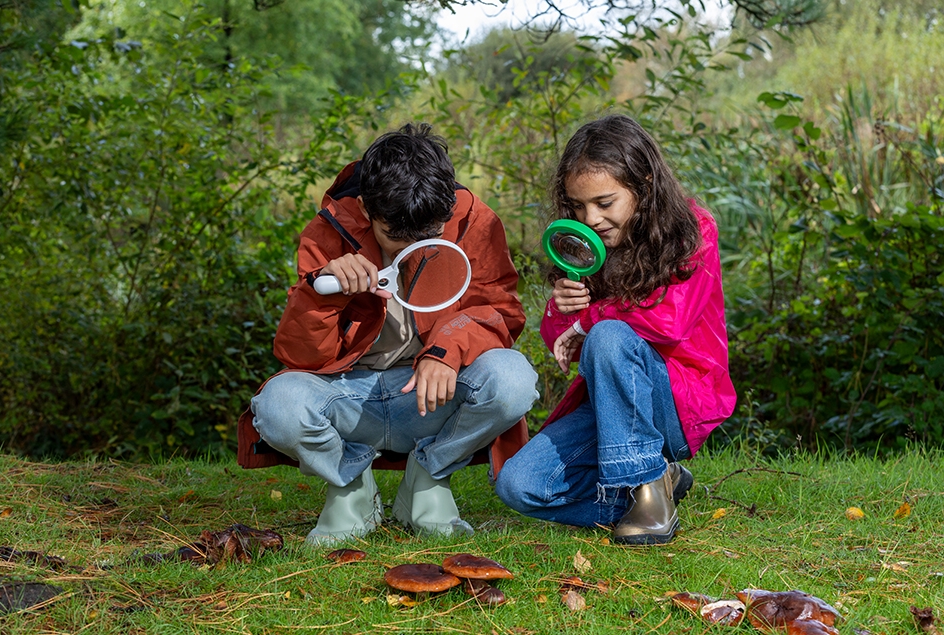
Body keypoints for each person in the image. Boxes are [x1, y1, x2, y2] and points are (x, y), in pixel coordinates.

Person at [239, 123, 537, 546]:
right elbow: (298, 356)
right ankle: (351, 487)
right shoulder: (329, 230)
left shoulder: (474, 221)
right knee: (277, 405)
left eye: (428, 237)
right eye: (395, 237)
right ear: (365, 208)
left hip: (425, 392)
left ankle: (427, 478)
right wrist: (323, 294)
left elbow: (502, 313)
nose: (409, 250)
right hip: (347, 394)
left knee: (513, 379)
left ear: (447, 207)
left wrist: (445, 347)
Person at [495, 114, 736, 545]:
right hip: (614, 402)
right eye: (578, 206)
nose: (591, 218)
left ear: (643, 186)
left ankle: (649, 495)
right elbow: (566, 348)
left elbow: (670, 321)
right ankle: (653, 485)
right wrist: (562, 310)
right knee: (518, 485)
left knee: (608, 336)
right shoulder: (585, 245)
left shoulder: (693, 231)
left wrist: (589, 320)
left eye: (605, 203)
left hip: (678, 399)